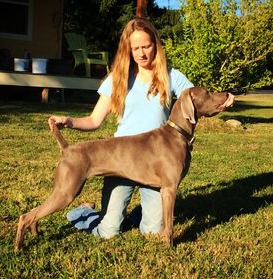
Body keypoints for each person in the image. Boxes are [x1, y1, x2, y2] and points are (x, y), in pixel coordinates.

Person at [48, 17, 234, 239]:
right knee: (108, 231)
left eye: (146, 46)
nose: (141, 53)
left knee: (154, 230)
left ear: (155, 44)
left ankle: (142, 213)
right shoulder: (118, 78)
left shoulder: (171, 75)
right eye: (135, 48)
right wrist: (69, 121)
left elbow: (198, 98)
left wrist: (223, 100)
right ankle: (84, 211)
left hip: (156, 159)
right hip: (120, 158)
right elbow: (94, 120)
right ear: (128, 49)